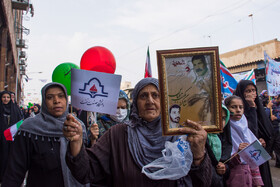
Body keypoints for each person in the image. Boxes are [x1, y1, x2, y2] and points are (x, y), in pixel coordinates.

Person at [63, 77, 212, 186]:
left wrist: (199, 155)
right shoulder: (118, 135)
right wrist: (76, 143)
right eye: (143, 96)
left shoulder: (180, 134)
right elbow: (86, 171)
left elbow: (203, 182)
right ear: (135, 103)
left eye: (155, 95)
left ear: (165, 101)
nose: (150, 101)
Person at [1, 83, 87, 187]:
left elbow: (85, 168)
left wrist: (92, 139)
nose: (56, 101)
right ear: (44, 102)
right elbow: (15, 170)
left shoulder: (77, 127)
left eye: (61, 96)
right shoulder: (29, 128)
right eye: (50, 97)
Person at [224, 95, 264, 187]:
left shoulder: (245, 127)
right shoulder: (225, 129)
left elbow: (254, 161)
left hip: (248, 176)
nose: (238, 110)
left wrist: (257, 183)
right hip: (233, 177)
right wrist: (238, 153)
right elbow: (224, 161)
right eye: (233, 107)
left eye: (241, 107)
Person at [0, 91, 23, 182]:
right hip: (1, 139)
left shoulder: (15, 109)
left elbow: (19, 122)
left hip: (11, 139)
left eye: (8, 97)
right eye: (4, 97)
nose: (6, 99)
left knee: (11, 157)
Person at [207, 104, 232, 187]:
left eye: (223, 118)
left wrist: (224, 168)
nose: (220, 122)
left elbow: (227, 162)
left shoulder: (221, 138)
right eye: (215, 117)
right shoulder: (199, 138)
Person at [187, 55, 212, 123]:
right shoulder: (195, 81)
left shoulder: (211, 79)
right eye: (195, 65)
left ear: (205, 63)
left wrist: (208, 90)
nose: (197, 67)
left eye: (199, 63)